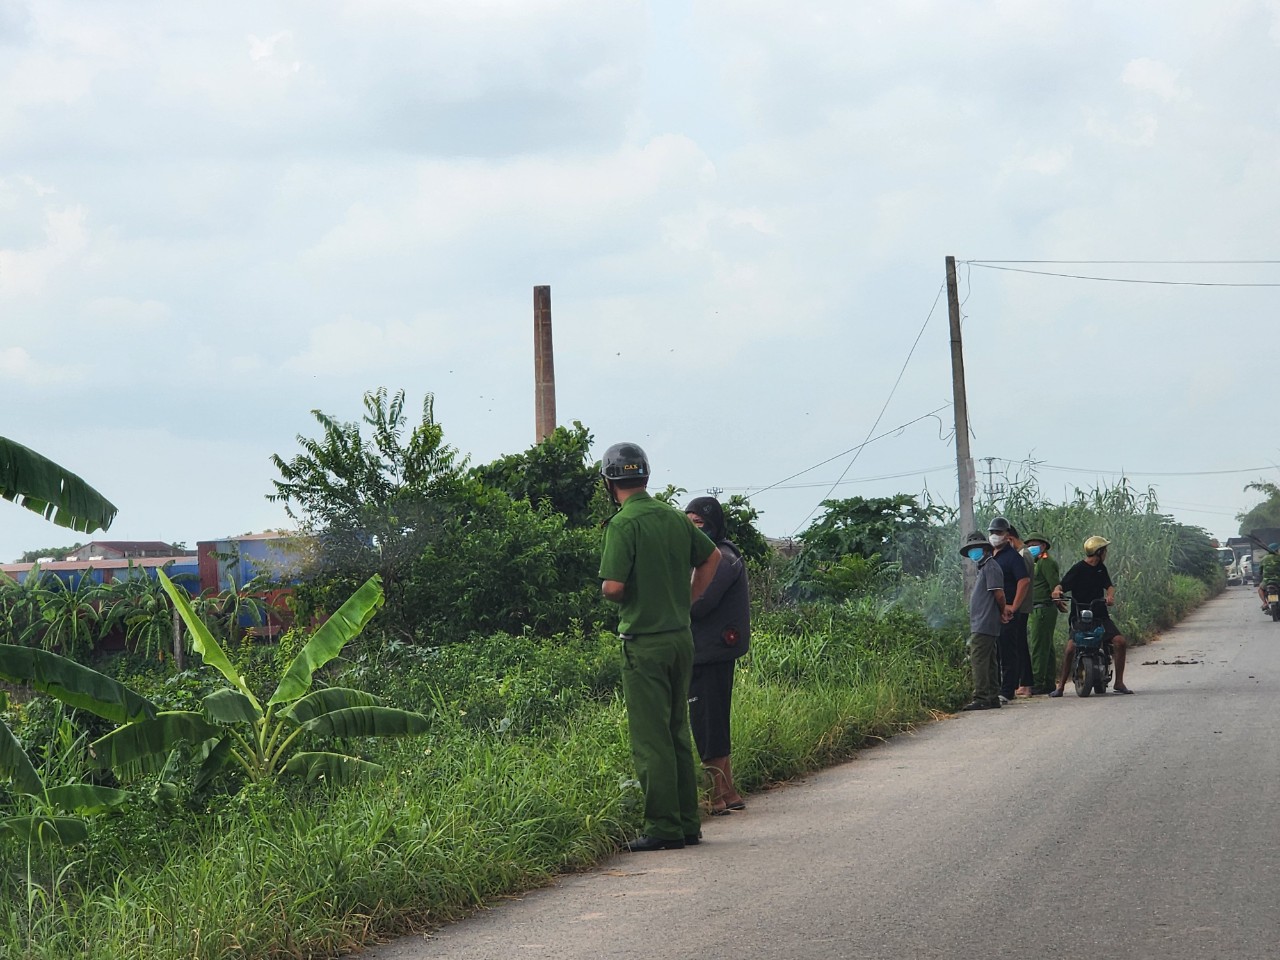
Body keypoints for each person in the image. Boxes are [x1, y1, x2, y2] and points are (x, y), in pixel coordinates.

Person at [598, 442, 721, 852]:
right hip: (681, 638)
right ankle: (688, 823)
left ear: (611, 482)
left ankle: (663, 828)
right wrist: (688, 599)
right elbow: (712, 557)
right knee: (677, 731)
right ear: (644, 477)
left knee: (651, 739)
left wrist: (614, 590)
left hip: (644, 643)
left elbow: (613, 587)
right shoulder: (672, 516)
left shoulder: (623, 524)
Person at [684, 496, 750, 814]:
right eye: (688, 525)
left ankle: (716, 796)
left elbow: (700, 603)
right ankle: (727, 793)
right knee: (715, 722)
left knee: (707, 723)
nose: (693, 532)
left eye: (698, 525)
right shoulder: (724, 554)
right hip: (715, 651)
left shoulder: (720, 558)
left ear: (712, 524)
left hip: (708, 653)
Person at [1049, 535, 1132, 696]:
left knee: (1120, 642)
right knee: (1070, 649)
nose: (1106, 553)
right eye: (1105, 550)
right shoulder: (1078, 568)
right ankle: (1060, 687)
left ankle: (1119, 682)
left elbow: (1109, 586)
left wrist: (1110, 596)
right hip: (1079, 618)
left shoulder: (1101, 568)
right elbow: (1062, 585)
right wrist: (1057, 591)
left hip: (1100, 616)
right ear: (1099, 552)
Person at [959, 531, 1008, 711]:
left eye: (976, 548)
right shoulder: (985, 567)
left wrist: (1003, 611)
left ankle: (981, 696)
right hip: (984, 622)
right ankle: (992, 696)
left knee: (979, 659)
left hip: (984, 622)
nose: (973, 552)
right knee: (989, 660)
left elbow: (999, 594)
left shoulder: (990, 567)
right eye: (971, 549)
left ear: (985, 549)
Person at [988, 517, 1031, 703]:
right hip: (993, 611)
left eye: (998, 533)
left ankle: (1007, 690)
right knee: (995, 651)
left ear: (1007, 536)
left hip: (1008, 611)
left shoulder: (1013, 557)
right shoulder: (990, 556)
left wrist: (1014, 606)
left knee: (1008, 651)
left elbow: (1024, 580)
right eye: (992, 533)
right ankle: (995, 688)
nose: (995, 536)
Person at [1024, 534, 1064, 695]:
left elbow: (1054, 585)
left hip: (1043, 608)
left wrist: (1058, 601)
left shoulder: (1046, 563)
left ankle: (1038, 681)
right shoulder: (1037, 563)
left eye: (1035, 545)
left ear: (1043, 546)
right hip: (1038, 608)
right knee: (1046, 645)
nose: (1031, 548)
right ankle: (1048, 681)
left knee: (1039, 645)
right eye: (1029, 545)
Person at [1006, 526, 1037, 697]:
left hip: (1020, 606)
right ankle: (1022, 682)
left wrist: (1015, 604)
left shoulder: (1023, 555)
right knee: (1018, 644)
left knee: (1020, 645)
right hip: (1021, 605)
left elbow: (1022, 581)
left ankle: (1026, 683)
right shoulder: (1024, 554)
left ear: (1010, 538)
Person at [1256, 543, 1280, 611]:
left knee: (1260, 589)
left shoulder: (1264, 559)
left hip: (1267, 581)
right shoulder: (1279, 557)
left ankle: (1265, 603)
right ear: (1277, 550)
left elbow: (1260, 571)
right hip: (1278, 581)